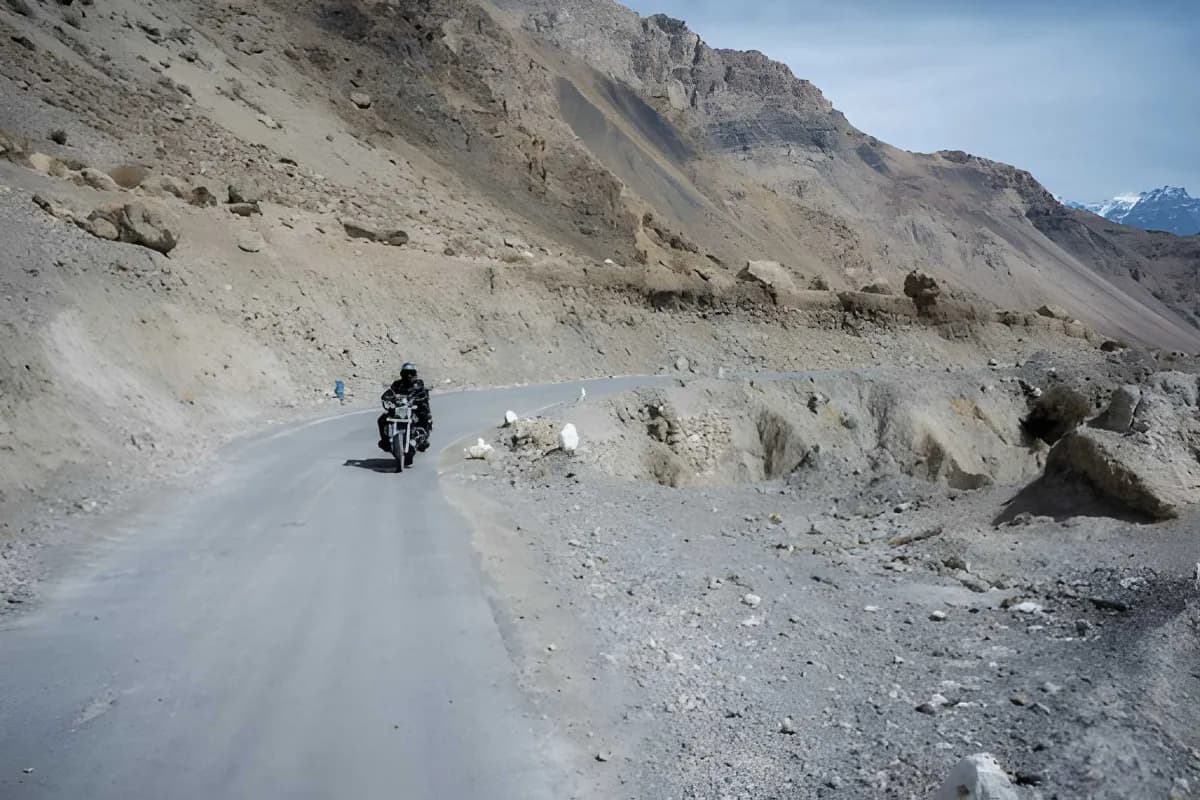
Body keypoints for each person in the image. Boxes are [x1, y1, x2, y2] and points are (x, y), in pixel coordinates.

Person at [377, 363, 433, 452]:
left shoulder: (418, 383)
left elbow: (423, 391)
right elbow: (390, 392)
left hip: (414, 408)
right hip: (399, 409)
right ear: (402, 374)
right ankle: (385, 441)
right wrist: (387, 397)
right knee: (382, 419)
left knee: (425, 414)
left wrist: (423, 395)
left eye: (411, 373)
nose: (409, 375)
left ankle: (423, 438)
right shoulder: (397, 384)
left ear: (414, 373)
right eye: (406, 373)